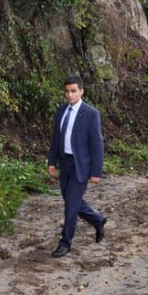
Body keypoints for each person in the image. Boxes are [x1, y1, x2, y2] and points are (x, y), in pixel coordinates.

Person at [47, 75, 107, 258]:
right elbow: (56, 138)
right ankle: (97, 220)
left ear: (81, 92)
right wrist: (52, 161)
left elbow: (97, 144)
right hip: (64, 162)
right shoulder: (61, 110)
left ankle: (65, 242)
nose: (70, 95)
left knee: (71, 206)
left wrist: (96, 172)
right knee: (72, 201)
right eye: (67, 91)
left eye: (73, 91)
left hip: (80, 165)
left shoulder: (90, 114)